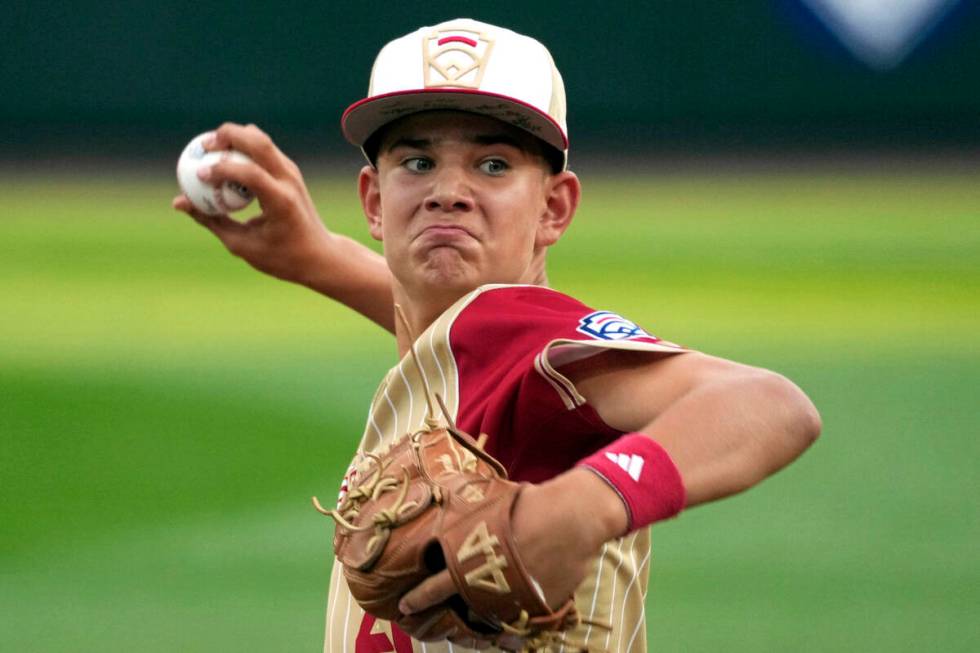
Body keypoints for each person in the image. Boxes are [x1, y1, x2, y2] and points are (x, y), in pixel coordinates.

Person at [173, 18, 821, 653]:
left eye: (492, 164)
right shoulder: (463, 344)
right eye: (418, 161)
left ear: (554, 208)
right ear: (373, 200)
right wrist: (319, 258)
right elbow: (443, 333)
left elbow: (771, 404)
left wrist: (583, 504)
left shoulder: (527, 334)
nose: (448, 192)